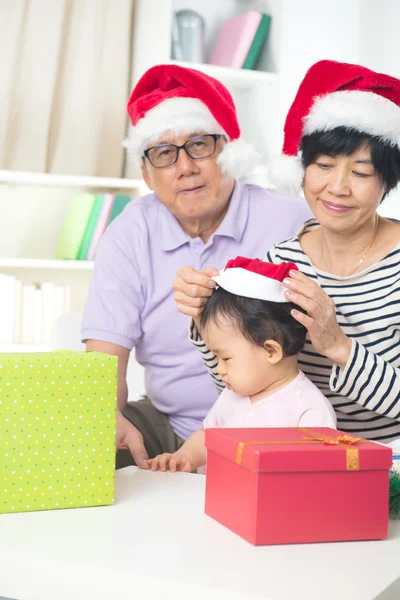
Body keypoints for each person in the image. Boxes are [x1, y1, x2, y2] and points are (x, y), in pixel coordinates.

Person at [81, 63, 312, 468]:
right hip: (170, 425)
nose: (185, 166)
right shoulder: (129, 232)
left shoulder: (291, 219)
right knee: (82, 435)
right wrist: (106, 417)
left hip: (274, 423)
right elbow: (104, 361)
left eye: (199, 144)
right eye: (164, 153)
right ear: (147, 174)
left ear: (228, 148)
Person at [173, 59, 400, 443]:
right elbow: (241, 387)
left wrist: (339, 347)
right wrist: (201, 321)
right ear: (302, 168)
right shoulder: (281, 263)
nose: (338, 187)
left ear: (386, 181)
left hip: (388, 465)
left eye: (361, 173)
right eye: (324, 165)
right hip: (295, 462)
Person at [149, 257, 336, 472]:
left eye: (225, 358)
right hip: (215, 499)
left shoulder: (308, 408)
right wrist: (185, 457)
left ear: (271, 351)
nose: (219, 369)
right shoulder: (232, 396)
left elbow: (318, 471)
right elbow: (208, 437)